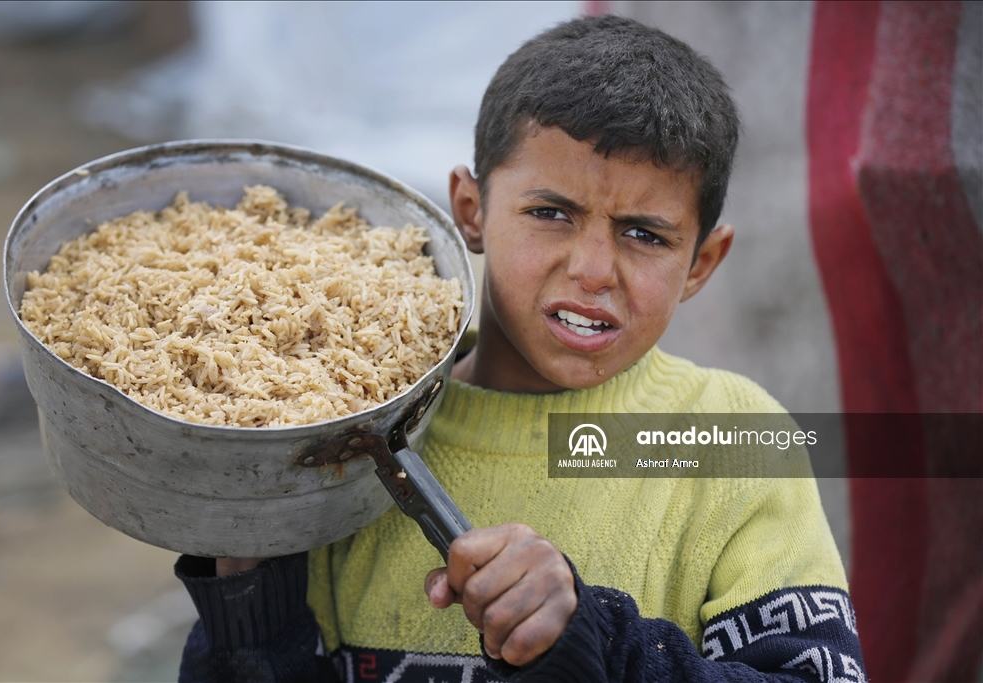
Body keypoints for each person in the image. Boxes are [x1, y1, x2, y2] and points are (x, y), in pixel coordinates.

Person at [175, 15, 864, 683]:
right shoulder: (344, 422)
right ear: (470, 211)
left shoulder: (730, 440)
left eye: (644, 234)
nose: (593, 268)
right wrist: (244, 577)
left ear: (702, 263)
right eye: (550, 213)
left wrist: (596, 639)